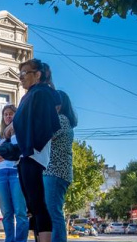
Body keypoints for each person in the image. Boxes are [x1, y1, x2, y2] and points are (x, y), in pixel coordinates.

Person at [12, 59, 61, 242]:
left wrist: (17, 128)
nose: (21, 77)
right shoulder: (32, 95)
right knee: (31, 206)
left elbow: (43, 124)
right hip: (26, 154)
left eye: (25, 73)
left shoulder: (41, 93)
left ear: (37, 74)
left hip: (34, 153)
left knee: (38, 204)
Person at [0, 105, 29, 242]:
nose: (8, 116)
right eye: (5, 114)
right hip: (1, 175)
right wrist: (7, 153)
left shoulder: (22, 133)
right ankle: (9, 240)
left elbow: (20, 152)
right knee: (6, 213)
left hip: (16, 172)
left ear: (16, 115)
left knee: (20, 211)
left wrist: (4, 153)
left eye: (11, 114)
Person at [43, 91, 77, 242]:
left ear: (58, 105)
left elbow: (43, 135)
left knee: (54, 213)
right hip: (56, 172)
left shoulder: (61, 120)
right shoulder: (64, 120)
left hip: (55, 172)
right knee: (53, 212)